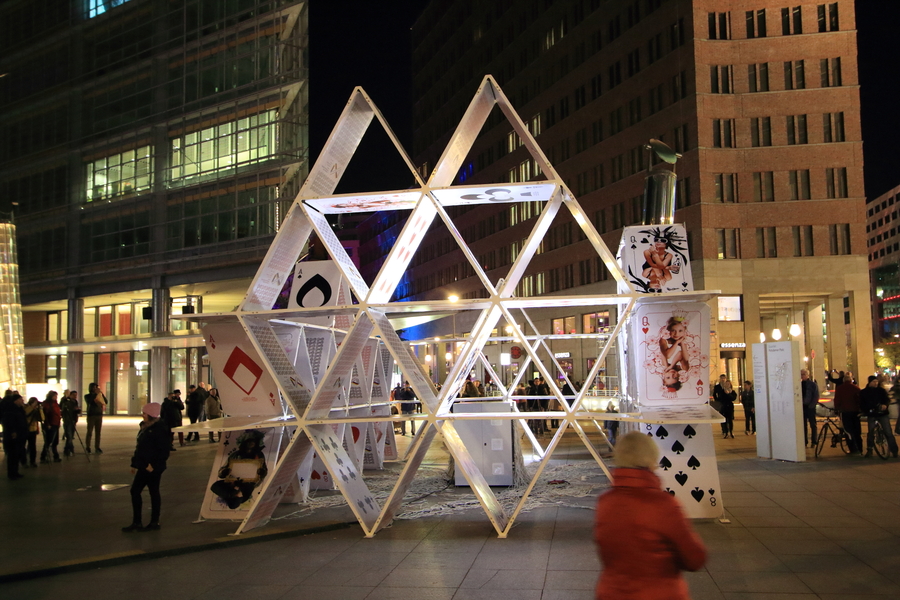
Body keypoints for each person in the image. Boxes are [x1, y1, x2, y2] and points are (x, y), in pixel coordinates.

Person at [594, 431, 706, 599]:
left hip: (611, 593)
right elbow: (694, 558)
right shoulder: (663, 505)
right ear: (652, 460)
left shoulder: (605, 503)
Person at [122, 402, 171, 532]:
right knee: (145, 491)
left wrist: (153, 465)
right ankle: (142, 522)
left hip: (152, 467)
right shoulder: (145, 427)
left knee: (145, 491)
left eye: (145, 413)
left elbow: (164, 450)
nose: (143, 415)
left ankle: (150, 521)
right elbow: (140, 448)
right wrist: (134, 463)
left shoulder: (159, 429)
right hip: (144, 465)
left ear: (151, 415)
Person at [210, 430, 268, 509]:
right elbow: (223, 469)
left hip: (248, 483)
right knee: (215, 486)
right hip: (233, 482)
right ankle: (233, 494)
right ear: (244, 442)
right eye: (249, 441)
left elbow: (263, 470)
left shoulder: (259, 455)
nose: (251, 443)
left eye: (253, 441)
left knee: (240, 498)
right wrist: (224, 472)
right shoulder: (236, 455)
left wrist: (261, 472)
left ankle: (236, 495)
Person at [860, 375, 898, 458]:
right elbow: (862, 404)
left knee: (888, 432)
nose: (876, 383)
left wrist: (885, 405)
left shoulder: (881, 391)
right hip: (872, 414)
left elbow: (886, 399)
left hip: (882, 413)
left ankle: (894, 450)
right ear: (869, 382)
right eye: (874, 382)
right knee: (871, 432)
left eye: (876, 381)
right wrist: (867, 410)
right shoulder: (864, 392)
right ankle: (869, 450)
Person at [832, 375, 862, 455]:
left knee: (848, 431)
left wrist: (837, 409)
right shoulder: (856, 388)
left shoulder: (840, 389)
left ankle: (852, 449)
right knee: (857, 431)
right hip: (855, 412)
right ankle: (860, 448)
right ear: (851, 380)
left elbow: (837, 400)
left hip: (845, 412)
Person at [0, 392, 27, 480]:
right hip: (13, 436)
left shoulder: (18, 409)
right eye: (20, 399)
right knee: (13, 454)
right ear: (15, 401)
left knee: (16, 454)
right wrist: (13, 432)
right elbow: (9, 422)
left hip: (19, 434)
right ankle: (12, 473)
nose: (22, 401)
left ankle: (15, 472)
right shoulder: (11, 410)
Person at [84, 382, 107, 454]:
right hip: (91, 415)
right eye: (94, 387)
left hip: (99, 415)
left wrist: (101, 394)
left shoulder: (99, 395)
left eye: (96, 387)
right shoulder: (87, 396)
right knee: (89, 432)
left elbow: (105, 401)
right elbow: (90, 401)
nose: (95, 389)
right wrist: (96, 394)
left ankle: (97, 447)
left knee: (98, 432)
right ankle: (88, 446)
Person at [40, 390, 62, 463]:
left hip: (56, 423)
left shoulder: (55, 403)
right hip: (51, 424)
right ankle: (43, 456)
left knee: (55, 441)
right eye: (55, 396)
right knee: (49, 441)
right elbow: (45, 415)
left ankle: (55, 456)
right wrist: (47, 424)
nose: (56, 397)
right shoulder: (47, 404)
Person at [800, 369, 819, 447]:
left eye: (803, 374)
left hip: (810, 407)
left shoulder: (812, 384)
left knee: (813, 425)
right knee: (803, 425)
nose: (802, 376)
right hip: (802, 407)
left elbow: (816, 396)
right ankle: (805, 441)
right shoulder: (799, 384)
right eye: (801, 374)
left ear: (807, 375)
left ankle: (814, 441)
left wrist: (812, 405)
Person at [23, 397, 44, 468]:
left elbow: (42, 418)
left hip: (33, 430)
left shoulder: (36, 409)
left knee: (32, 447)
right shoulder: (26, 407)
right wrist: (32, 408)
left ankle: (33, 461)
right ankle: (24, 461)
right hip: (25, 429)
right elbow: (26, 414)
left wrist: (40, 409)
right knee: (22, 446)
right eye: (35, 402)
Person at [60, 390, 81, 457]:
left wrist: (77, 410)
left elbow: (76, 410)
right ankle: (71, 449)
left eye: (76, 395)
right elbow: (61, 406)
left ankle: (67, 449)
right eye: (74, 395)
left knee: (71, 436)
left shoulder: (75, 401)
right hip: (67, 420)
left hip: (73, 420)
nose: (75, 397)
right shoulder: (66, 401)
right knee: (69, 436)